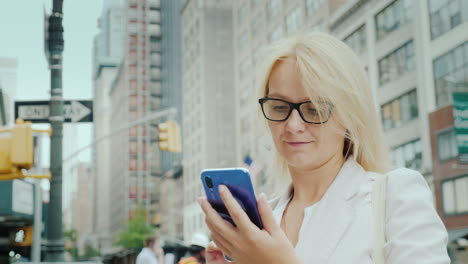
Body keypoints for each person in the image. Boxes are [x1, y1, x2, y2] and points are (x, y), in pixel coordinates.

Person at [198, 32, 450, 263]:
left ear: (350, 114)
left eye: (315, 109)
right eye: (279, 106)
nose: (293, 124)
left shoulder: (396, 198)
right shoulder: (260, 222)